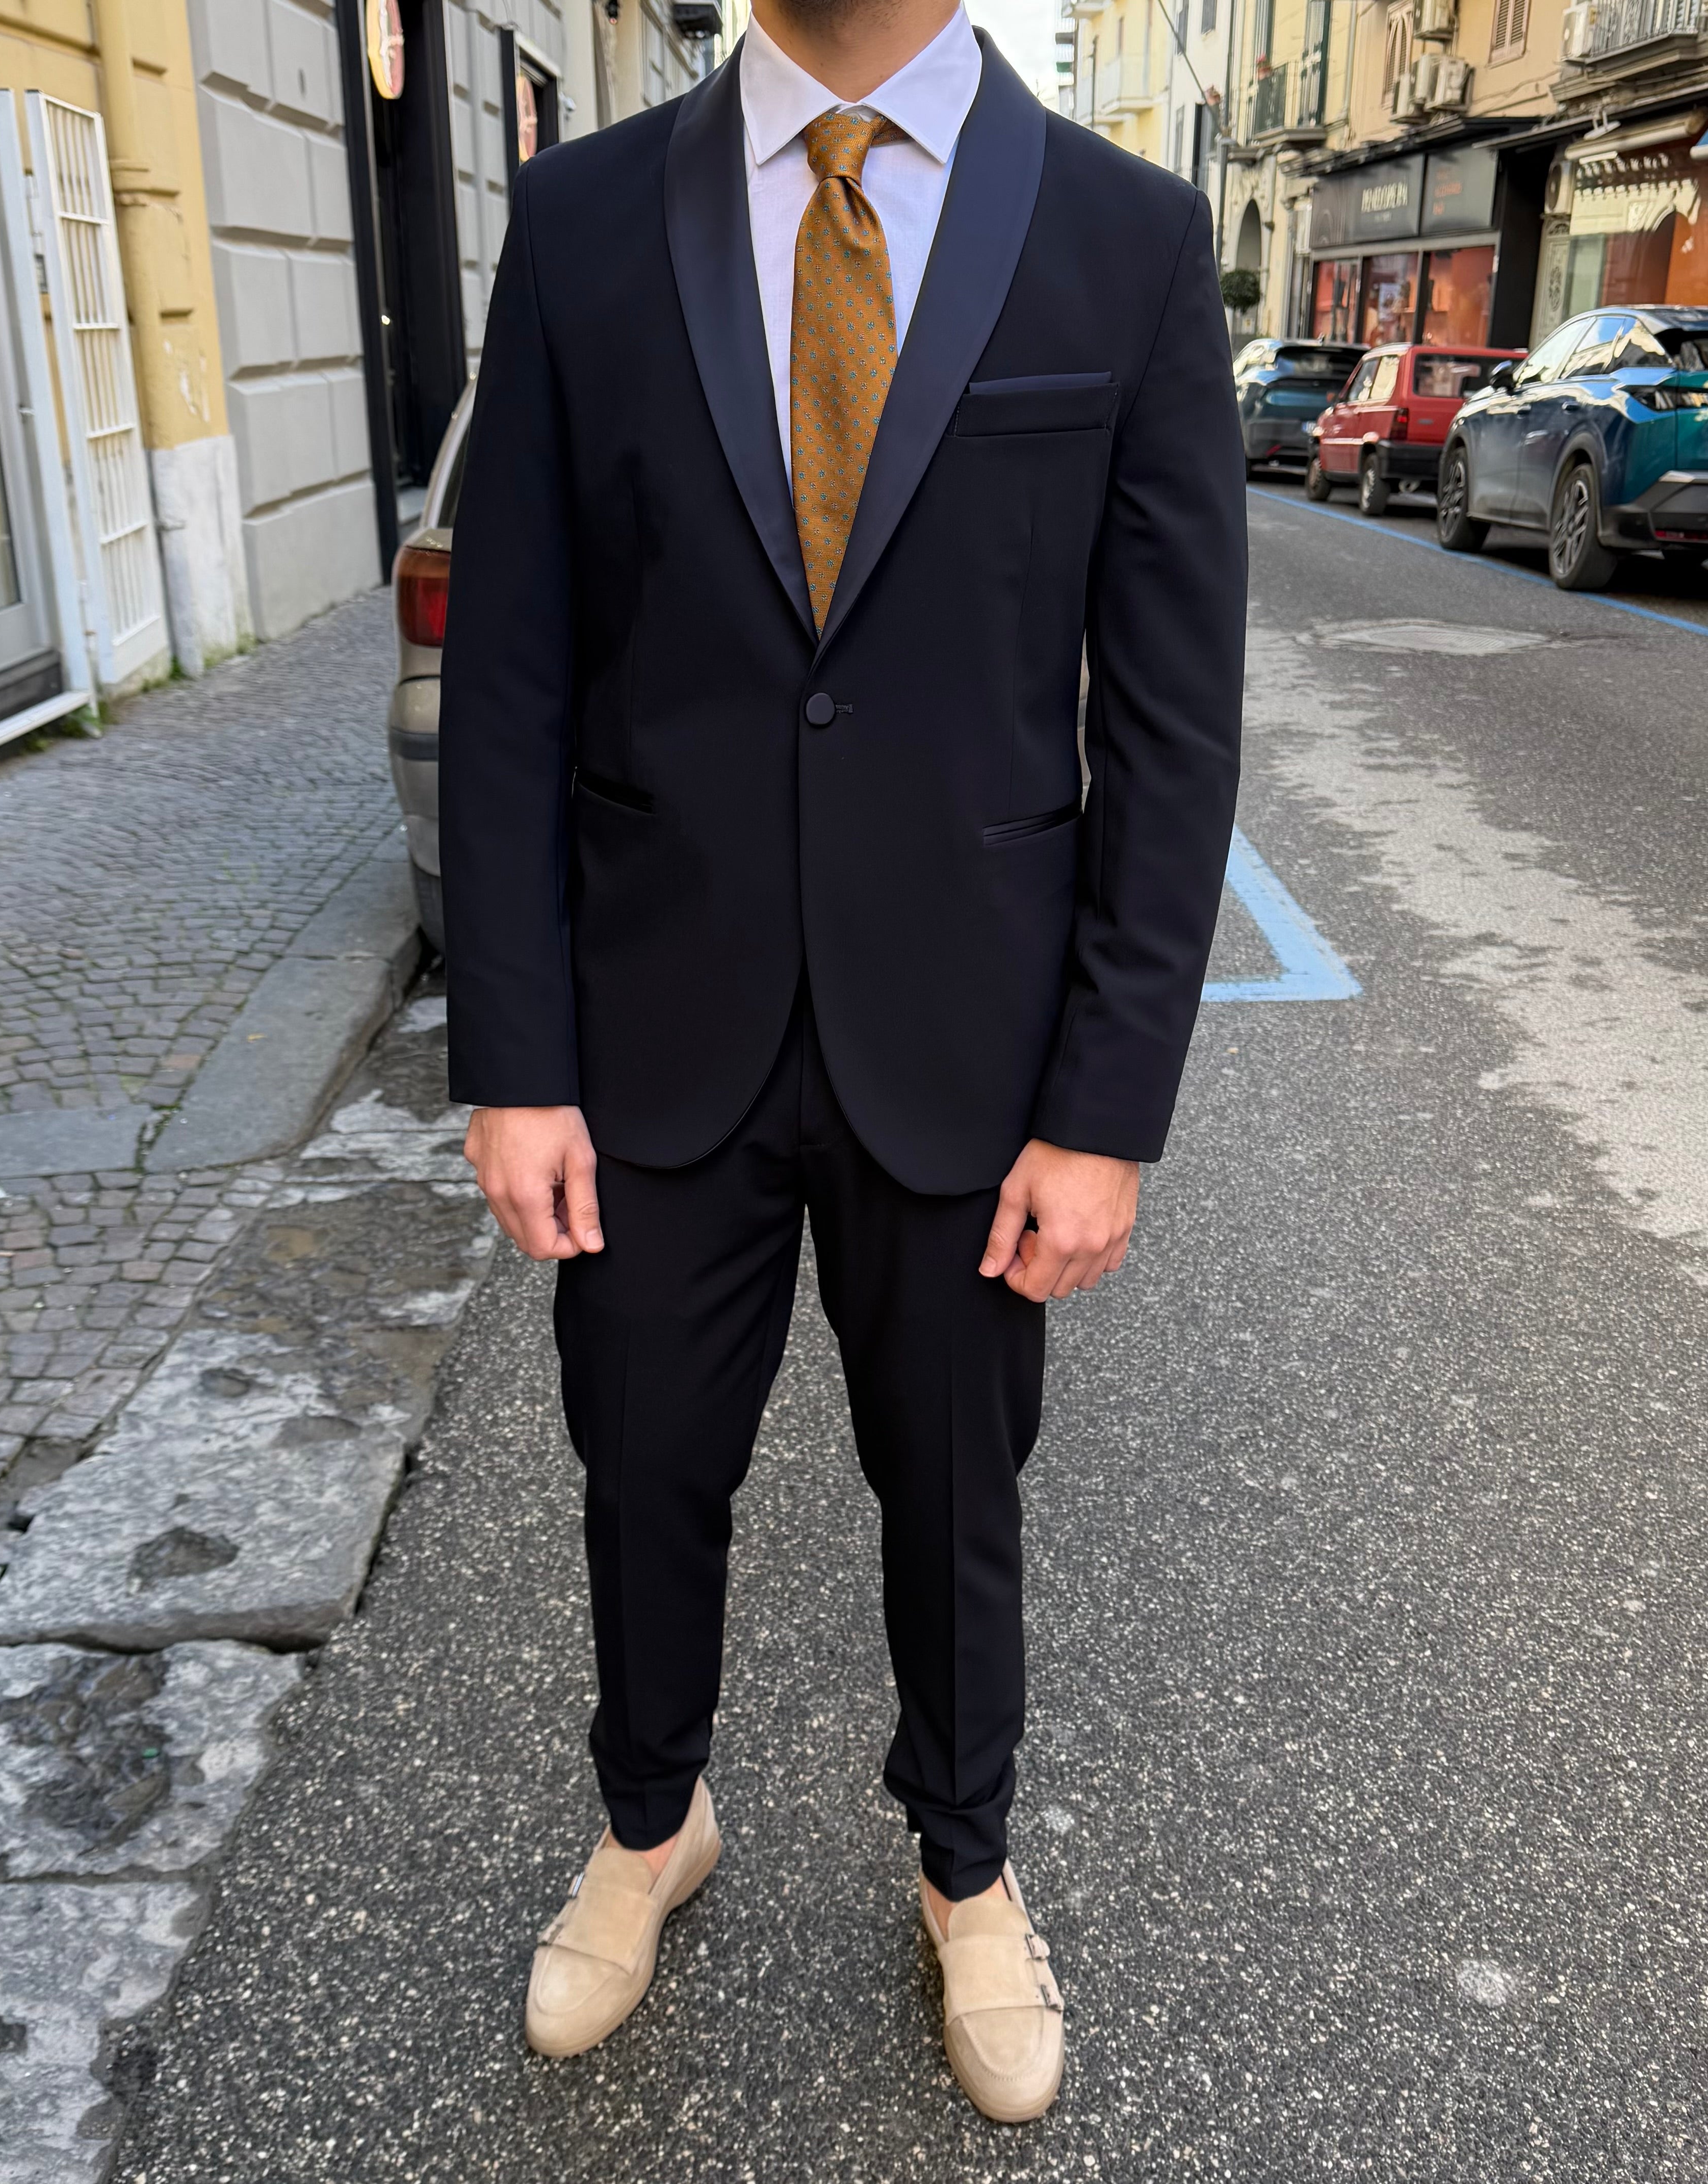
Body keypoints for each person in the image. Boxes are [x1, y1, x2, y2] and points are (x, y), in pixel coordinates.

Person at [439, 0, 1243, 2123]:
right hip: (653, 1022)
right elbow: (511, 672)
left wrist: (1105, 1108)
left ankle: (965, 1866)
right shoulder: (583, 221)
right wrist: (514, 1058)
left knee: (958, 1486)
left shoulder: (1126, 240)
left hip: (972, 1041)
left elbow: (1172, 729)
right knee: (640, 1462)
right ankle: (649, 1823)